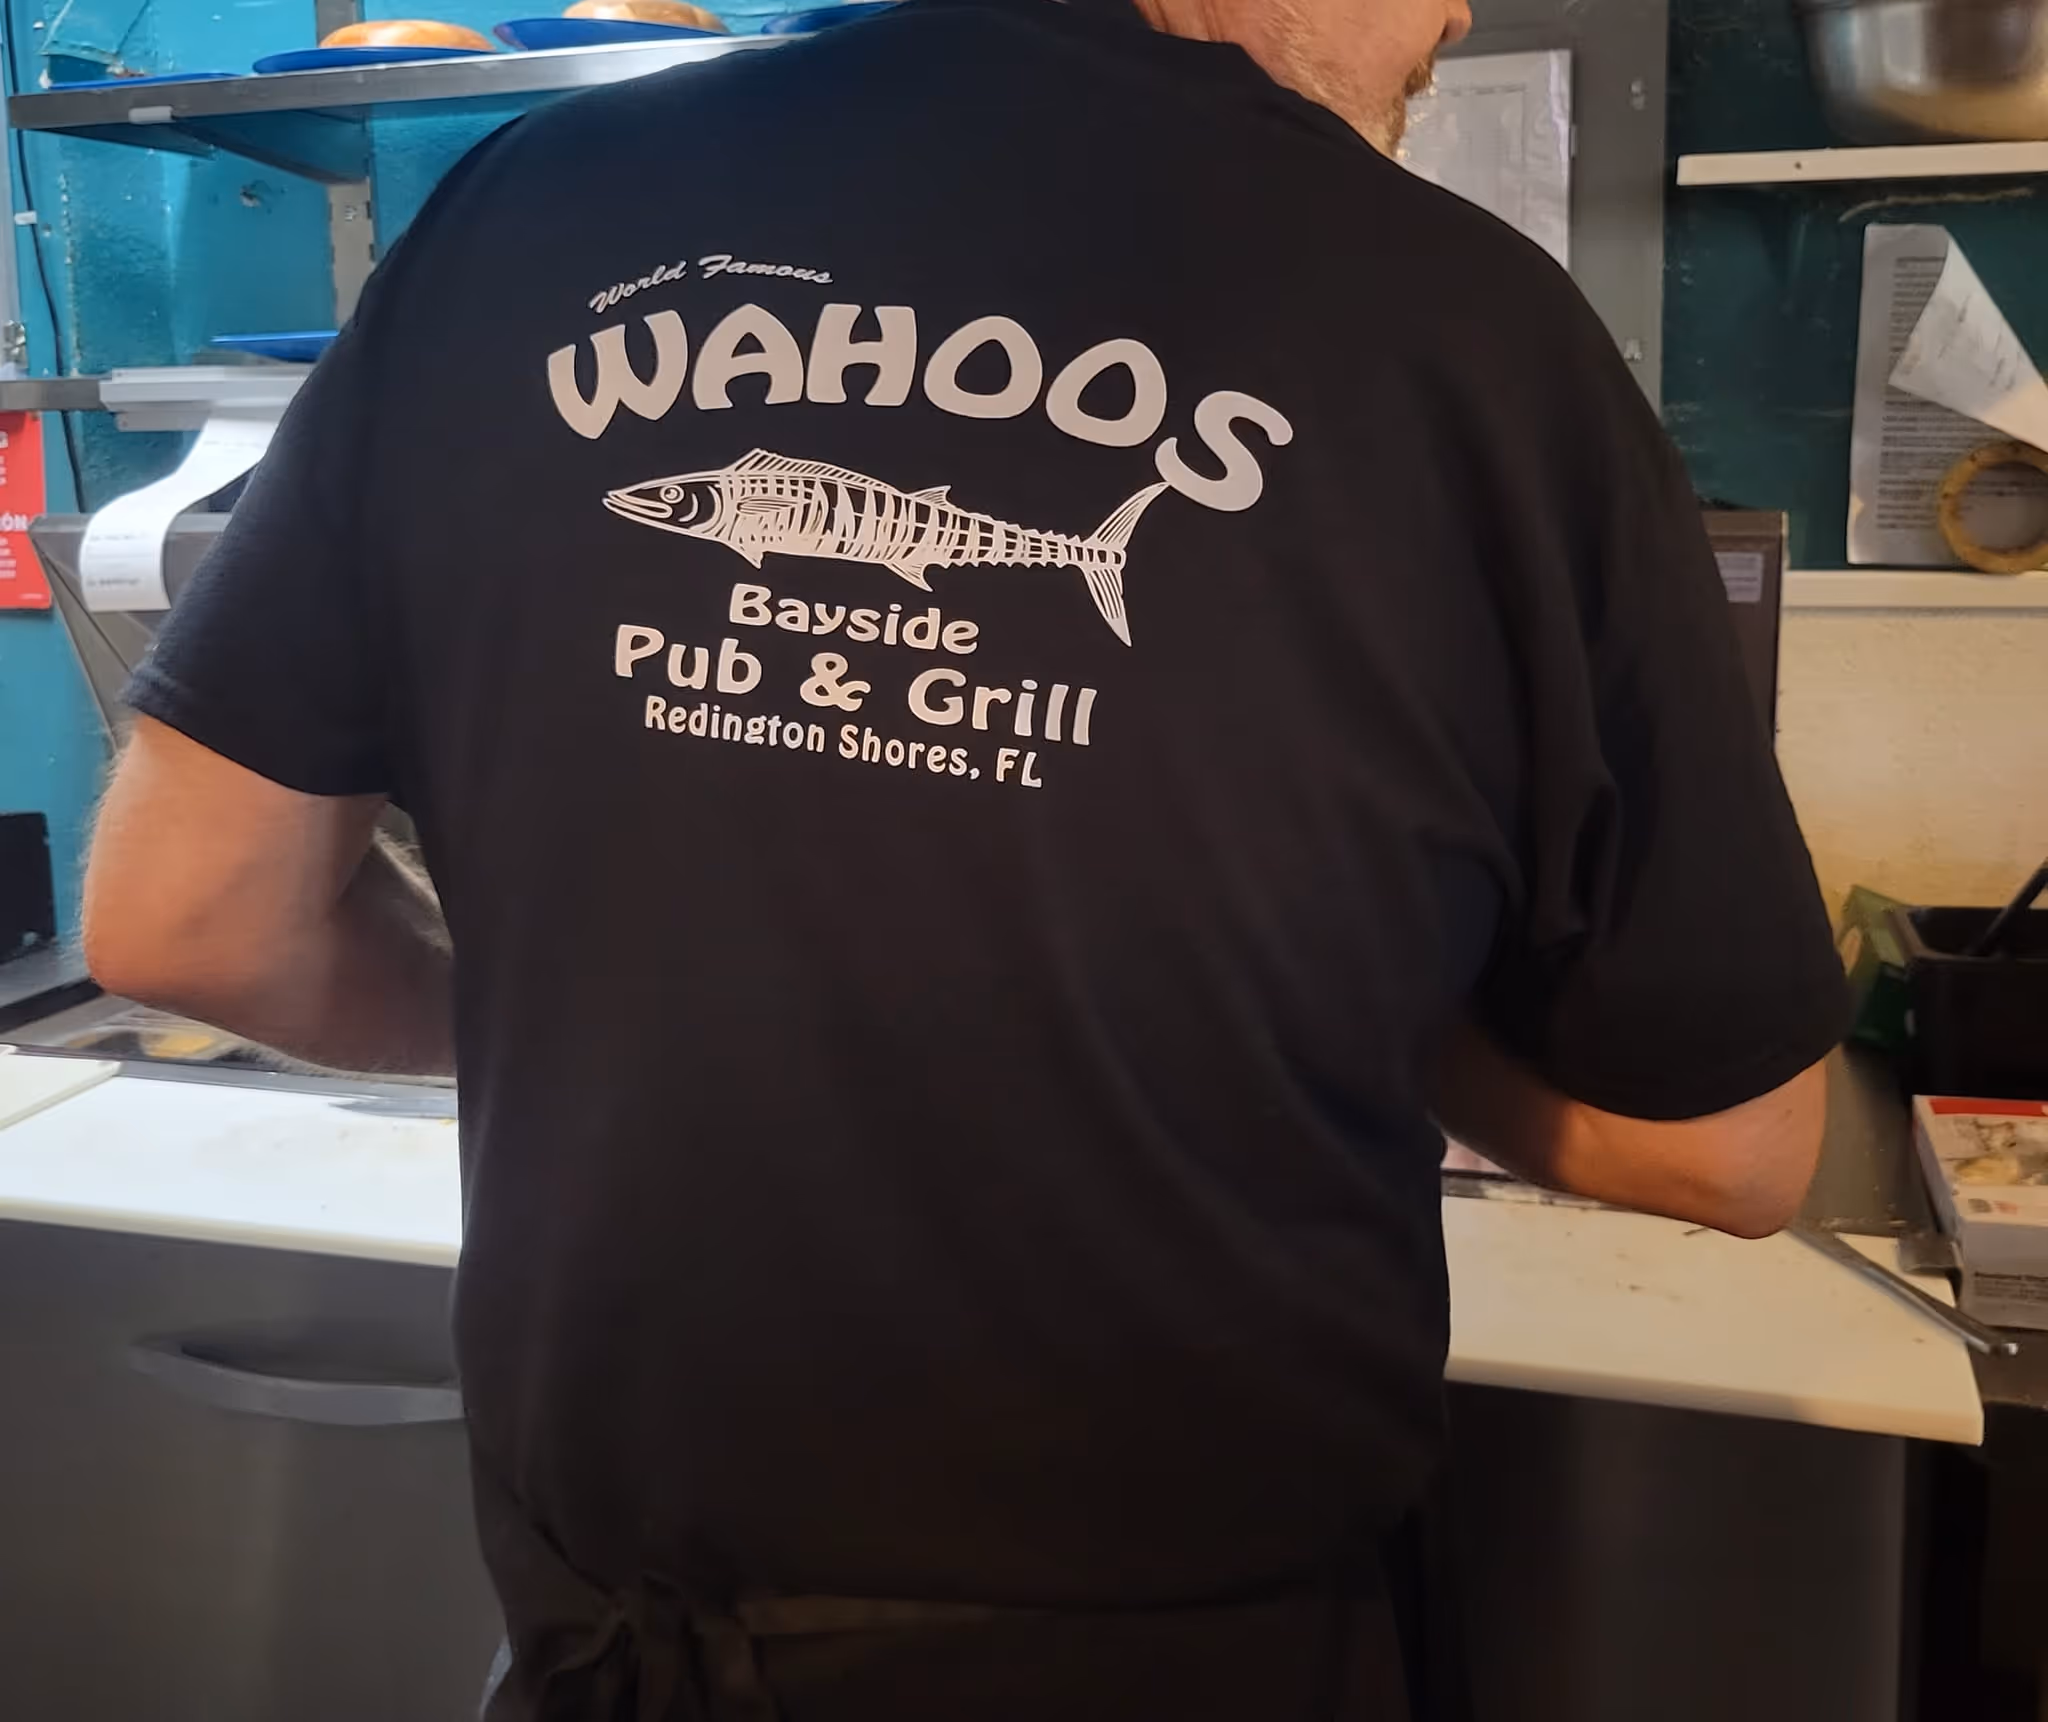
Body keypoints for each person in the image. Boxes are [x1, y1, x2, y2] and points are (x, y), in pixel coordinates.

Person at [83, 0, 1850, 1714]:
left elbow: (189, 916)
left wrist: (577, 1000)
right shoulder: (1474, 330)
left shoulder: (526, 205)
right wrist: (1384, 1002)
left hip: (606, 1628)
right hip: (1178, 1654)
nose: (1454, 20)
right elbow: (1738, 1142)